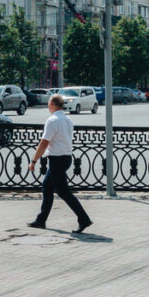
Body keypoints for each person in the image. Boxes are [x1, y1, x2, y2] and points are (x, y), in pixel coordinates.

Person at [27, 93, 93, 233]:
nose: (48, 106)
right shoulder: (68, 119)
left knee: (63, 192)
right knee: (47, 186)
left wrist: (33, 161)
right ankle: (41, 220)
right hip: (66, 157)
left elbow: (44, 142)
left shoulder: (52, 120)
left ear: (51, 104)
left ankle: (84, 219)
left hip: (56, 159)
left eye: (48, 104)